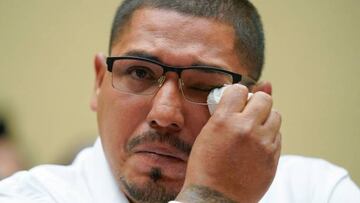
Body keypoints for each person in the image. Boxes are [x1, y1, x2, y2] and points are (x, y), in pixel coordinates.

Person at [0, 0, 359, 202]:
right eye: (139, 73)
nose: (165, 113)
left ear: (254, 106)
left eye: (204, 86)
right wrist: (212, 196)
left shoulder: (317, 191)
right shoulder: (27, 196)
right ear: (99, 82)